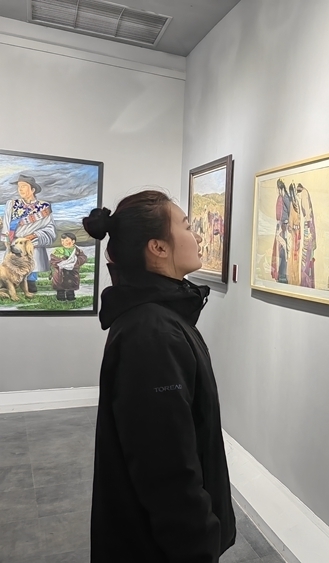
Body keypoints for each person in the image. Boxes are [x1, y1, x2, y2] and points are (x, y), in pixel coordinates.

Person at [83, 190, 236, 562]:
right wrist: (199, 547)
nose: (197, 236)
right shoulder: (152, 335)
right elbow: (167, 470)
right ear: (158, 247)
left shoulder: (158, 320)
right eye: (186, 226)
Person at [1, 174, 56, 293]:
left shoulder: (44, 206)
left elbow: (50, 228)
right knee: (11, 265)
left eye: (23, 186)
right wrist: (7, 239)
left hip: (33, 242)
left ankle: (31, 281)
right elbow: (6, 223)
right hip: (15, 242)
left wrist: (35, 235)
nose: (20, 189)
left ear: (33, 189)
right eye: (19, 186)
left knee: (32, 260)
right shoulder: (11, 204)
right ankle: (11, 282)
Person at [49, 232, 87, 301]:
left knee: (71, 286)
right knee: (60, 286)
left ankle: (70, 296)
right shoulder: (58, 250)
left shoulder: (77, 251)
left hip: (72, 272)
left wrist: (76, 261)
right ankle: (60, 297)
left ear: (73, 241)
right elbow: (53, 259)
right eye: (62, 241)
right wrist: (61, 259)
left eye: (66, 240)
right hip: (60, 272)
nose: (64, 243)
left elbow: (83, 258)